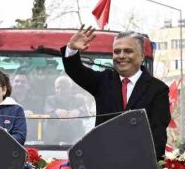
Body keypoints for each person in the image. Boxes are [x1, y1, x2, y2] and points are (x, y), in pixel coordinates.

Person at [62, 26, 171, 159]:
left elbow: (157, 135)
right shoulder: (103, 81)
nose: (121, 56)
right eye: (117, 51)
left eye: (128, 51)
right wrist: (72, 49)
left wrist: (150, 167)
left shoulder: (158, 89)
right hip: (104, 165)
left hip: (140, 167)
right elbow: (76, 71)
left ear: (141, 56)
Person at [44, 75, 88, 144]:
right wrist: (55, 110)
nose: (60, 90)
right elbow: (46, 111)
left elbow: (86, 112)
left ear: (70, 88)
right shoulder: (50, 100)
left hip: (75, 140)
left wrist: (78, 111)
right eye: (58, 87)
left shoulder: (79, 100)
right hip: (53, 140)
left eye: (64, 88)